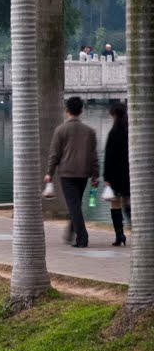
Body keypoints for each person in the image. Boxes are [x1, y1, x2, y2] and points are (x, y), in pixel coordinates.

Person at [44, 96, 99, 247]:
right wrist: (96, 175)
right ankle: (70, 232)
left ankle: (82, 238)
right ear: (81, 110)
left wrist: (49, 172)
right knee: (75, 204)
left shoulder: (60, 130)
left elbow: (54, 154)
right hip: (84, 173)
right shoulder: (90, 131)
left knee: (73, 205)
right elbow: (94, 156)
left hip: (67, 173)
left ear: (66, 110)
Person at [104, 102, 130, 246]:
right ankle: (134, 227)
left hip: (115, 176)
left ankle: (119, 235)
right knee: (127, 202)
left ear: (114, 115)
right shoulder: (129, 131)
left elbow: (109, 157)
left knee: (115, 205)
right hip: (128, 174)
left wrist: (107, 177)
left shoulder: (113, 133)